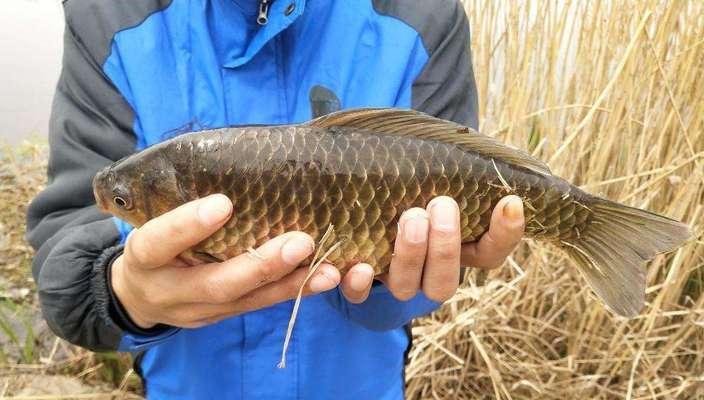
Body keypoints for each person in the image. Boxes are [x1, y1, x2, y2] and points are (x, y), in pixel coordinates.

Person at [26, 0, 525, 398]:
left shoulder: (424, 14)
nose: (116, 200)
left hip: (360, 384)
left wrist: (389, 279)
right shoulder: (108, 15)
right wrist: (125, 292)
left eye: (124, 197)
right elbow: (69, 260)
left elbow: (443, 233)